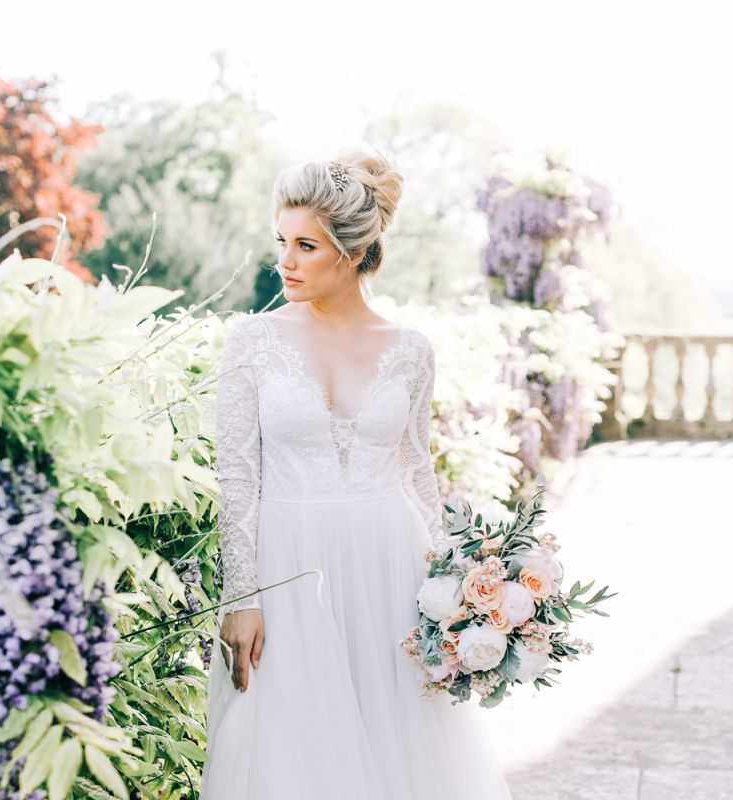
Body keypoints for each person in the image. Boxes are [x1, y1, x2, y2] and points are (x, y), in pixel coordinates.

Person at [201, 149, 513, 799]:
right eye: (281, 242)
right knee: (292, 756)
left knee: (401, 751)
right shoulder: (251, 342)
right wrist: (241, 599)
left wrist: (461, 589)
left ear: (353, 251)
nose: (285, 261)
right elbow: (237, 479)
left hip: (390, 567)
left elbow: (417, 471)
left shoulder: (411, 350)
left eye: (305, 246)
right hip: (290, 570)